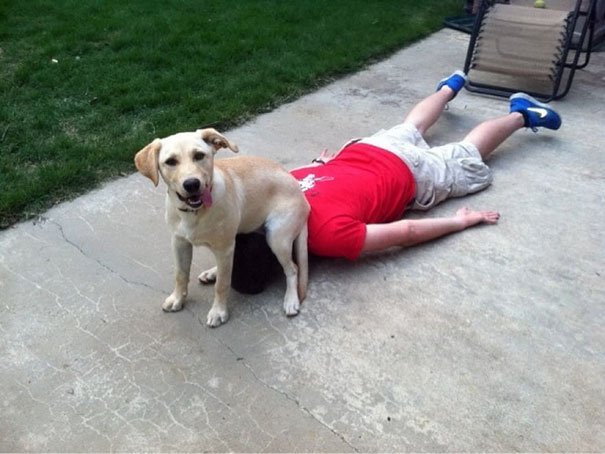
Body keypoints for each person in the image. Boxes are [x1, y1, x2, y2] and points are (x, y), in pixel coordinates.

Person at [230, 70, 562, 293]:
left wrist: (459, 222)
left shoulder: (327, 238)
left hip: (410, 173)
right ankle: (449, 87)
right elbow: (297, 174)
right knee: (410, 127)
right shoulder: (273, 197)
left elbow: (407, 232)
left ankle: (522, 113)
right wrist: (320, 164)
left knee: (467, 155)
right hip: (366, 149)